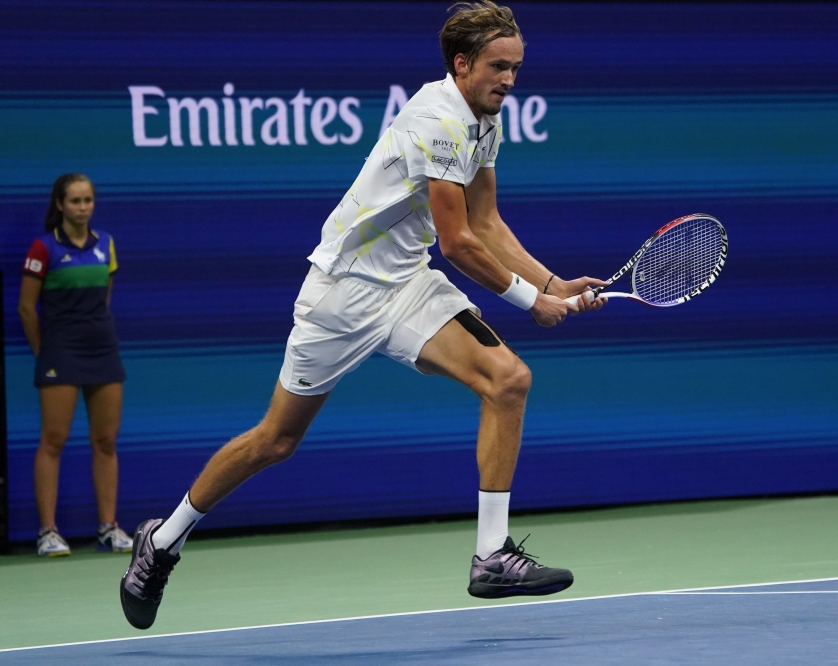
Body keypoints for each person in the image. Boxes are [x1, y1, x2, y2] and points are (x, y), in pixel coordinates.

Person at [120, 1, 604, 629]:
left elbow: (486, 222)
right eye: (497, 67)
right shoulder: (437, 120)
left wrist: (552, 283)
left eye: (515, 67)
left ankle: (491, 556)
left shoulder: (485, 121)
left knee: (508, 380)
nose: (509, 80)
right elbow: (459, 243)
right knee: (276, 440)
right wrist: (529, 300)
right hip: (342, 292)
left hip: (406, 286)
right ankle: (162, 540)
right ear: (462, 64)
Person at [19, 174, 133, 557]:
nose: (83, 207)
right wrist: (45, 351)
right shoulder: (43, 248)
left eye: (88, 200)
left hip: (102, 349)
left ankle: (108, 528)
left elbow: (104, 298)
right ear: (60, 205)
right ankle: (48, 532)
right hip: (60, 352)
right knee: (53, 441)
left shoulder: (106, 244)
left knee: (106, 441)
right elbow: (26, 307)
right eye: (75, 201)